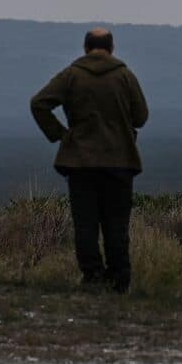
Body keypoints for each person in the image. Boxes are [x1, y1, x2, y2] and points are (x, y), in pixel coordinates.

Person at [30, 28, 148, 293]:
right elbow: (141, 116)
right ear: (112, 48)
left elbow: (39, 103)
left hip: (80, 161)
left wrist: (62, 135)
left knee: (85, 222)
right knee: (116, 224)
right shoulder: (125, 76)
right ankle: (119, 278)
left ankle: (92, 276)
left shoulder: (72, 76)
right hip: (120, 161)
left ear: (85, 47)